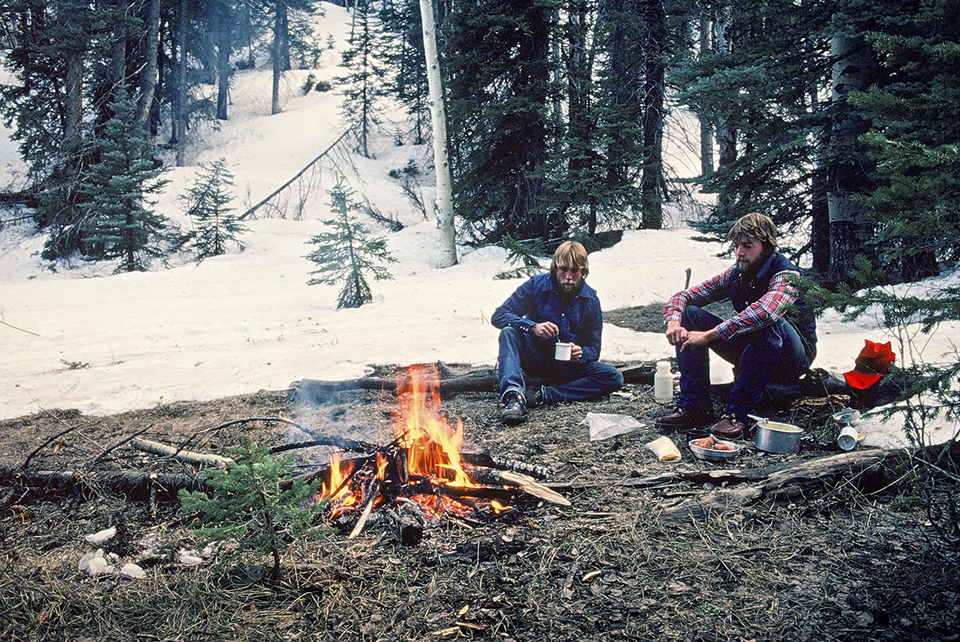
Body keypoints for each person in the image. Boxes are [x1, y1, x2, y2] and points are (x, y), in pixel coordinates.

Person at [656, 213, 817, 439]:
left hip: (791, 359)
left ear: (767, 247)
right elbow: (683, 297)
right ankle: (694, 406)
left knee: (770, 322)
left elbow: (766, 312)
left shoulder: (787, 274)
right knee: (690, 314)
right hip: (756, 350)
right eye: (736, 246)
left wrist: (710, 335)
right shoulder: (737, 274)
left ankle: (739, 414)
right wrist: (674, 323)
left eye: (747, 246)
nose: (739, 252)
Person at [492, 241, 624, 425]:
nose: (568, 276)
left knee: (614, 377)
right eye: (563, 269)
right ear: (555, 267)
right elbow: (499, 315)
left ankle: (543, 395)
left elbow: (594, 347)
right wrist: (532, 327)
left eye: (575, 271)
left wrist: (581, 353)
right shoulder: (536, 285)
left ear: (583, 271)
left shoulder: (590, 299)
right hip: (535, 357)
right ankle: (514, 398)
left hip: (568, 366)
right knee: (508, 332)